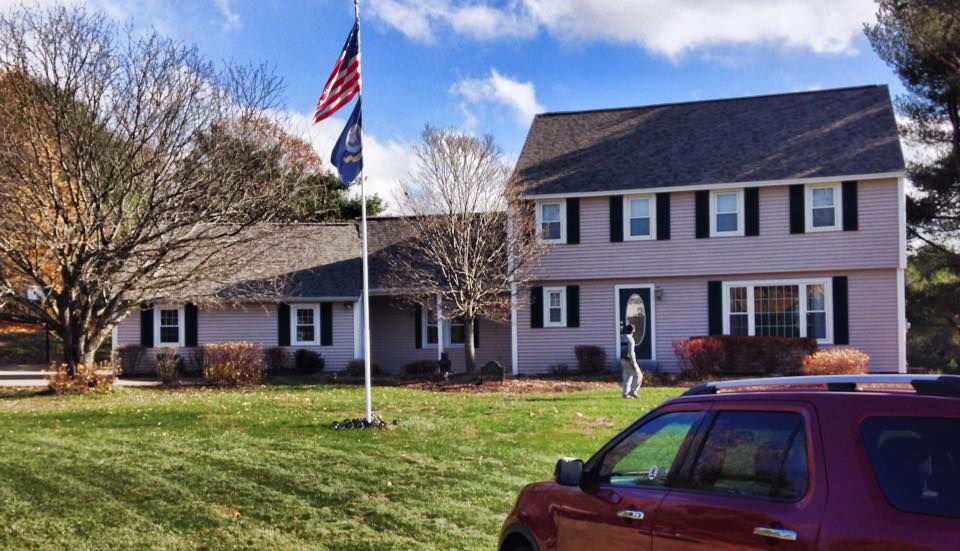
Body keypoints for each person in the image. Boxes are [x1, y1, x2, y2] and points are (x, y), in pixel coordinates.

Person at [620, 324, 642, 399]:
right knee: (638, 375)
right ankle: (633, 391)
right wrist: (634, 362)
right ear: (633, 330)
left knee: (627, 377)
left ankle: (625, 394)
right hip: (629, 360)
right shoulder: (630, 339)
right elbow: (631, 352)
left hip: (622, 359)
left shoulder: (622, 338)